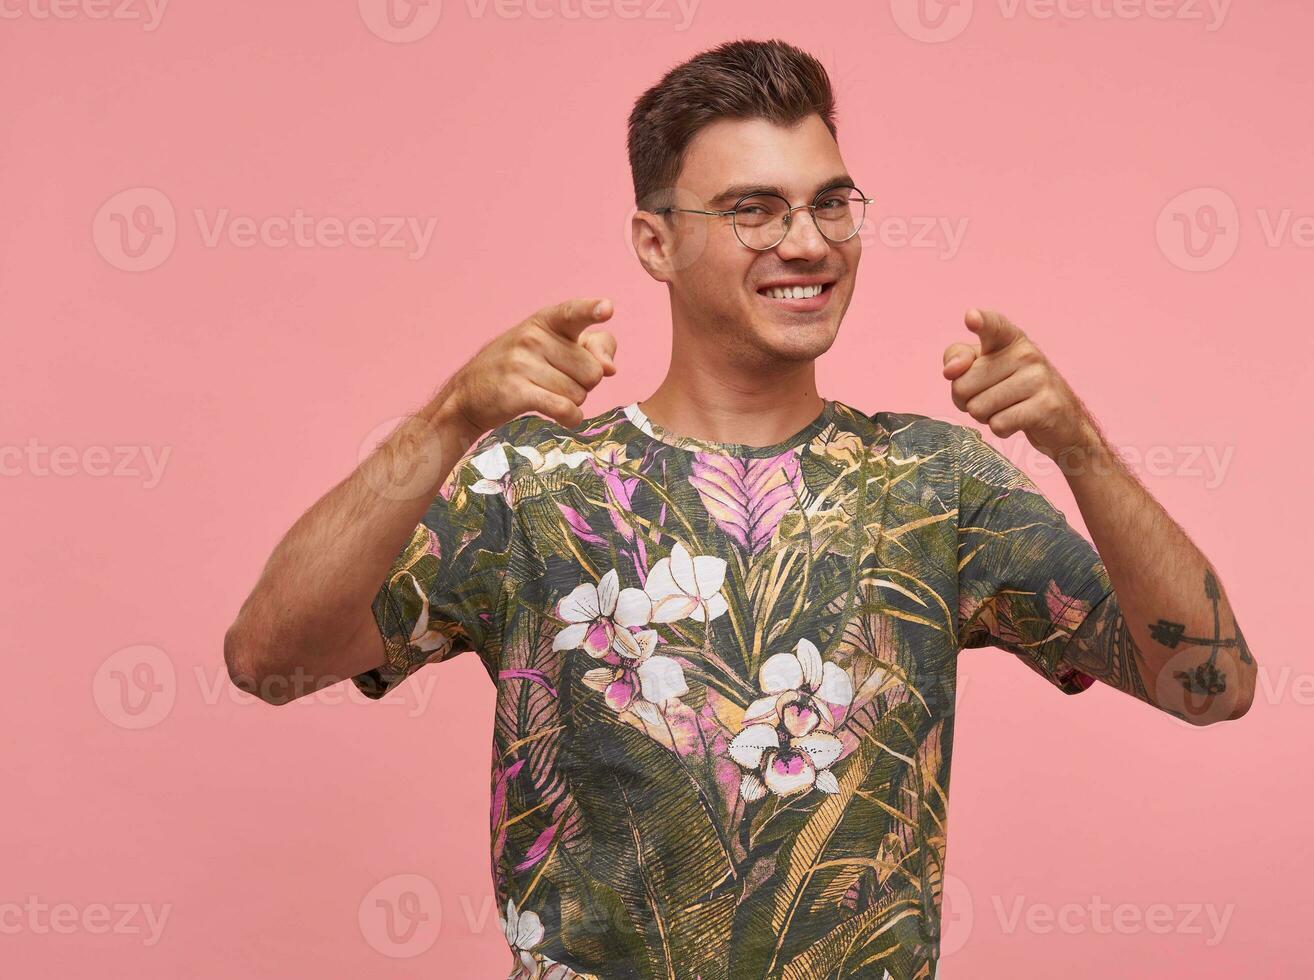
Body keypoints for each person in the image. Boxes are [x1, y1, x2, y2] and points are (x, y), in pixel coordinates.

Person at [224, 37, 1256, 980]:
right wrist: (451, 417)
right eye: (754, 208)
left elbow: (1211, 684)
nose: (806, 241)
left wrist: (1080, 447)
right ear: (656, 241)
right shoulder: (535, 484)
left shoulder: (937, 480)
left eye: (832, 203)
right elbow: (269, 657)